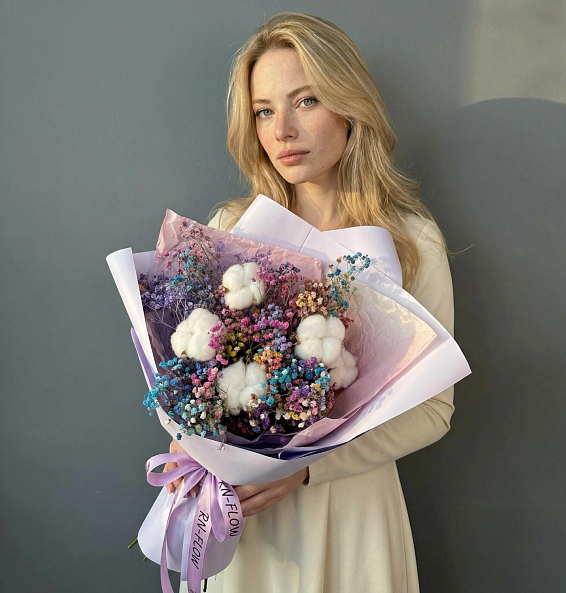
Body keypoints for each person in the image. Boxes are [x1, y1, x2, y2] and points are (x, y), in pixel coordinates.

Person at [168, 12, 456, 593]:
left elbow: (433, 411)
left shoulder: (411, 241)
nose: (282, 131)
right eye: (264, 111)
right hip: (247, 522)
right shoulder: (230, 230)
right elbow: (186, 375)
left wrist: (308, 470)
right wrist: (188, 436)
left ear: (350, 105)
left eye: (306, 101)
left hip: (354, 516)